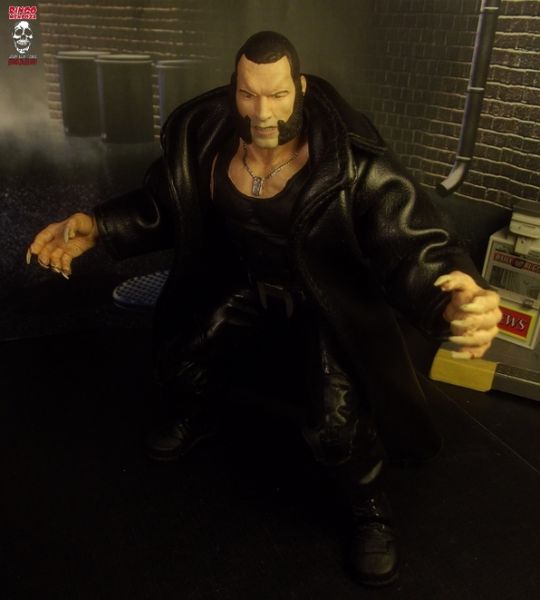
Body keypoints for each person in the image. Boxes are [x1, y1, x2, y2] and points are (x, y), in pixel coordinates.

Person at [27, 31, 501, 587]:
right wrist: (97, 226)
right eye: (249, 95)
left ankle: (369, 510)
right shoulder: (206, 139)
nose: (263, 112)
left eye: (277, 95)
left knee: (334, 429)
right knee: (179, 353)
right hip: (246, 289)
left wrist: (453, 299)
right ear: (235, 89)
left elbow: (412, 244)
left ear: (300, 87)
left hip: (323, 306)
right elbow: (164, 203)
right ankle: (201, 414)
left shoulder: (350, 161)